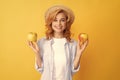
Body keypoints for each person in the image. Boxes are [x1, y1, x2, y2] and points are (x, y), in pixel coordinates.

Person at [27, 5, 88, 80]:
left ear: (66, 22)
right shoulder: (42, 42)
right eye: (55, 20)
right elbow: (41, 69)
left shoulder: (73, 44)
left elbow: (73, 70)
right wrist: (36, 52)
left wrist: (79, 54)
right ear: (51, 22)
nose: (58, 24)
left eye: (62, 20)